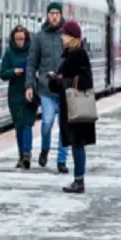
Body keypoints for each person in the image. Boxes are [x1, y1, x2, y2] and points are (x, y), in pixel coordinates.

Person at [47, 20, 95, 193]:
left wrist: (61, 80)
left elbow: (85, 81)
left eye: (64, 34)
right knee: (75, 143)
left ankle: (79, 180)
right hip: (70, 105)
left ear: (72, 37)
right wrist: (54, 80)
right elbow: (63, 82)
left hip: (77, 107)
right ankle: (78, 179)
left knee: (78, 143)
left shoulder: (78, 55)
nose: (61, 37)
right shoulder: (69, 55)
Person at [25, 3, 70, 173]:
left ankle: (62, 160)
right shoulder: (39, 37)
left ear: (61, 15)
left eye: (57, 13)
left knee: (64, 126)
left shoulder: (67, 36)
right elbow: (31, 63)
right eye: (51, 13)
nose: (54, 16)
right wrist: (29, 85)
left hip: (65, 89)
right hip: (46, 89)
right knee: (47, 122)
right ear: (47, 15)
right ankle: (45, 148)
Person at [0, 25, 38, 169]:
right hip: (15, 93)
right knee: (19, 125)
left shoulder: (32, 51)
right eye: (17, 39)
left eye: (22, 39)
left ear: (26, 38)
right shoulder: (9, 53)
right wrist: (13, 71)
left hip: (30, 91)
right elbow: (2, 73)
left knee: (28, 123)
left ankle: (27, 154)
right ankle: (21, 155)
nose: (19, 42)